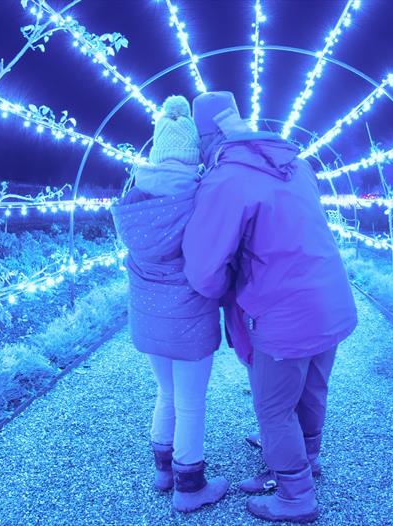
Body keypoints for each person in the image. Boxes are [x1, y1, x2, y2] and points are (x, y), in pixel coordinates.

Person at [182, 91, 358, 523]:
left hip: (284, 313)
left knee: (274, 408)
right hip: (331, 300)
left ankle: (296, 495)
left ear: (206, 138)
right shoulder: (295, 163)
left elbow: (203, 268)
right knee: (312, 389)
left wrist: (230, 287)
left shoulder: (226, 180)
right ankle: (306, 463)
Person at [110, 95, 228, 513]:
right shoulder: (202, 197)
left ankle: (162, 470)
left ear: (158, 149)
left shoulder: (134, 201)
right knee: (191, 401)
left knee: (165, 392)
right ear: (192, 151)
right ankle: (189, 488)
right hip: (190, 319)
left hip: (149, 323)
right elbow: (212, 260)